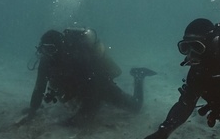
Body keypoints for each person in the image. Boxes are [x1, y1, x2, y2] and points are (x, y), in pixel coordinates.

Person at [23, 28, 156, 125]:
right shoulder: (46, 60)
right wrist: (33, 109)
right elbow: (39, 86)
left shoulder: (79, 59)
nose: (46, 53)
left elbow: (95, 90)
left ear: (60, 48)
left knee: (135, 107)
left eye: (51, 49)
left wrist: (80, 118)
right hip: (78, 88)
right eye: (43, 49)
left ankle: (138, 76)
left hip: (100, 84)